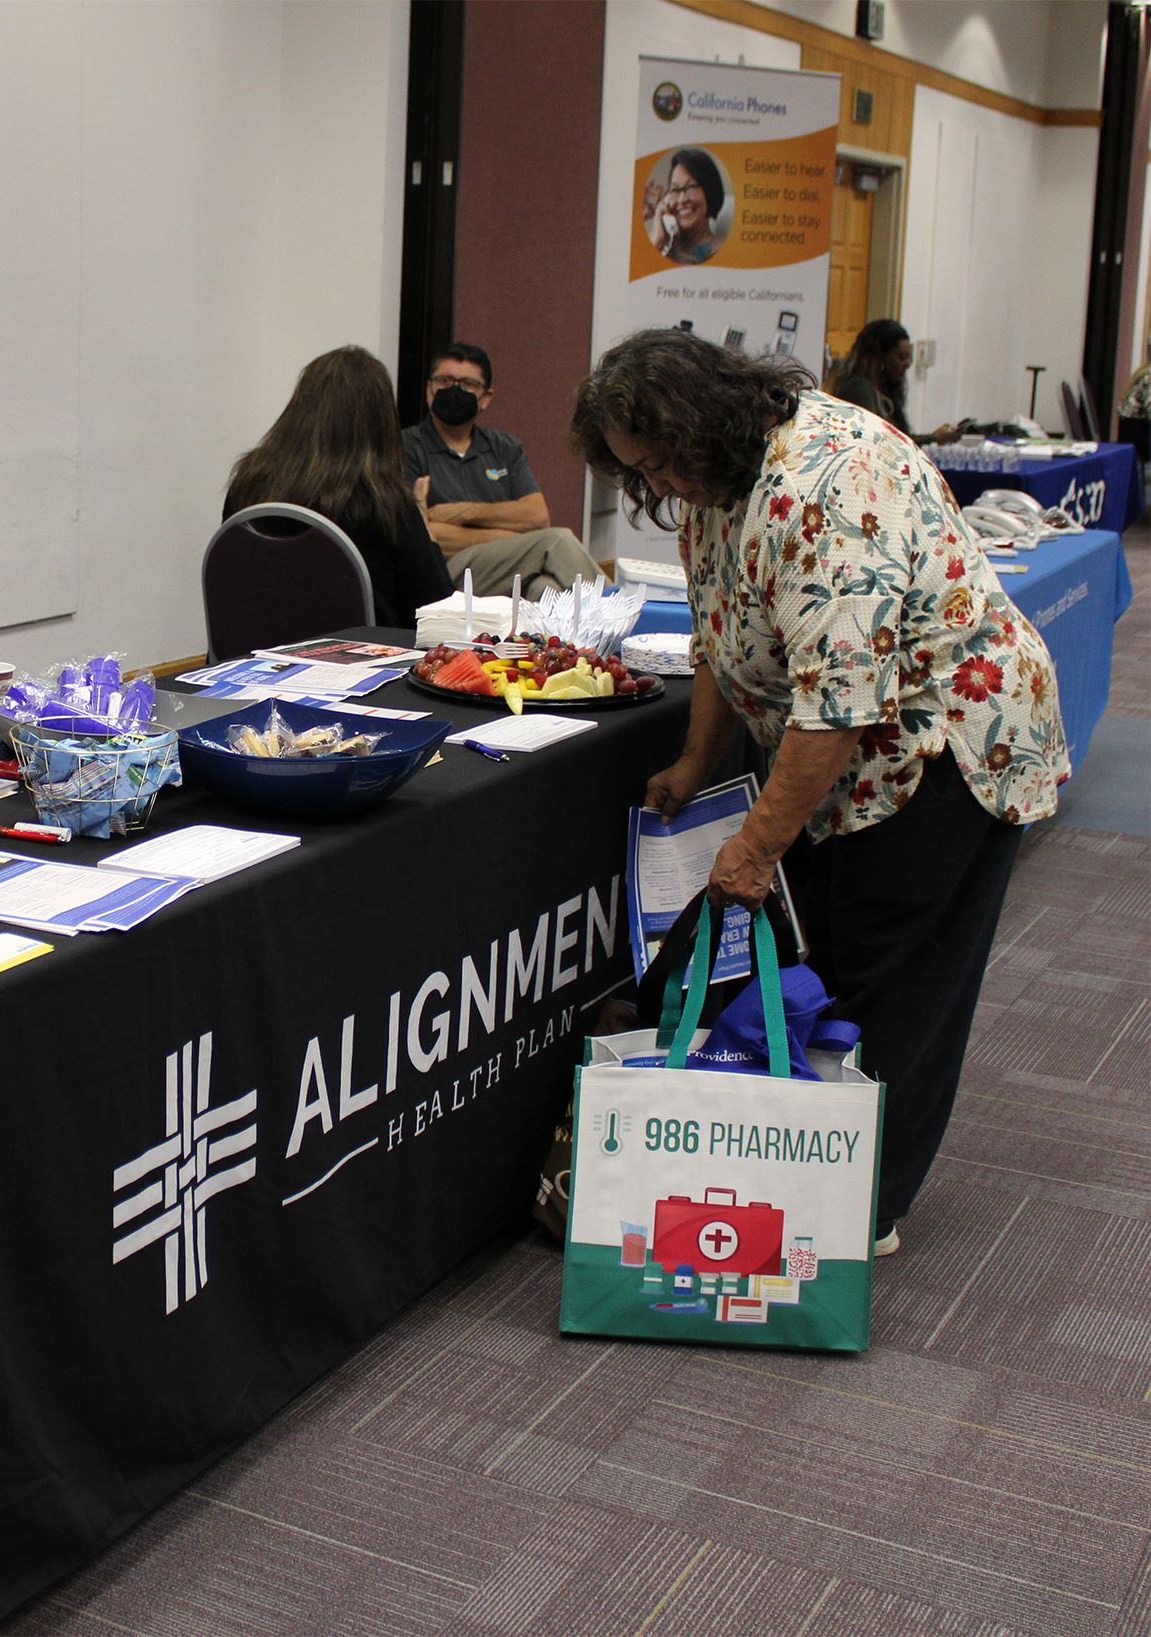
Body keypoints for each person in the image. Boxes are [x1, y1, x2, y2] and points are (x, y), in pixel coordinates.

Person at [570, 328, 1070, 1255]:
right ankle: (815, 1163)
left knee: (897, 972)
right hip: (851, 751)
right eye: (643, 473)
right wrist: (694, 759)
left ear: (701, 419)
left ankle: (860, 1209)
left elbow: (839, 704)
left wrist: (757, 846)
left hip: (949, 741)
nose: (662, 486)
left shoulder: (830, 482)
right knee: (829, 956)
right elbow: (723, 631)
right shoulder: (715, 479)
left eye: (663, 463)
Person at [223, 346, 451, 627]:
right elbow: (437, 612)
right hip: (360, 666)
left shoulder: (248, 483)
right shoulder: (385, 502)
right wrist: (427, 534)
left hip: (251, 663)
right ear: (382, 423)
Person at [402, 342, 606, 595]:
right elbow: (426, 535)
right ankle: (631, 621)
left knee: (546, 589)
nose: (454, 390)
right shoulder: (406, 447)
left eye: (468, 384)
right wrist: (512, 536)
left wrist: (462, 512)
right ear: (429, 390)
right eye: (444, 380)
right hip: (446, 572)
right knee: (556, 541)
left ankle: (605, 630)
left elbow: (537, 516)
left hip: (505, 569)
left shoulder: (505, 448)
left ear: (486, 397)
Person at [829, 319, 963, 445]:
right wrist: (934, 438)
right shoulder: (859, 388)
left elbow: (898, 440)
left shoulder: (885, 389)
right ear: (879, 358)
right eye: (901, 357)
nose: (908, 364)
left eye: (908, 357)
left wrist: (934, 437)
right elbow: (877, 442)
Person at [654, 148, 724, 264]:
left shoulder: (723, 251)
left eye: (691, 187)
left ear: (710, 192)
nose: (682, 199)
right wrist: (657, 241)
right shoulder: (661, 246)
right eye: (675, 189)